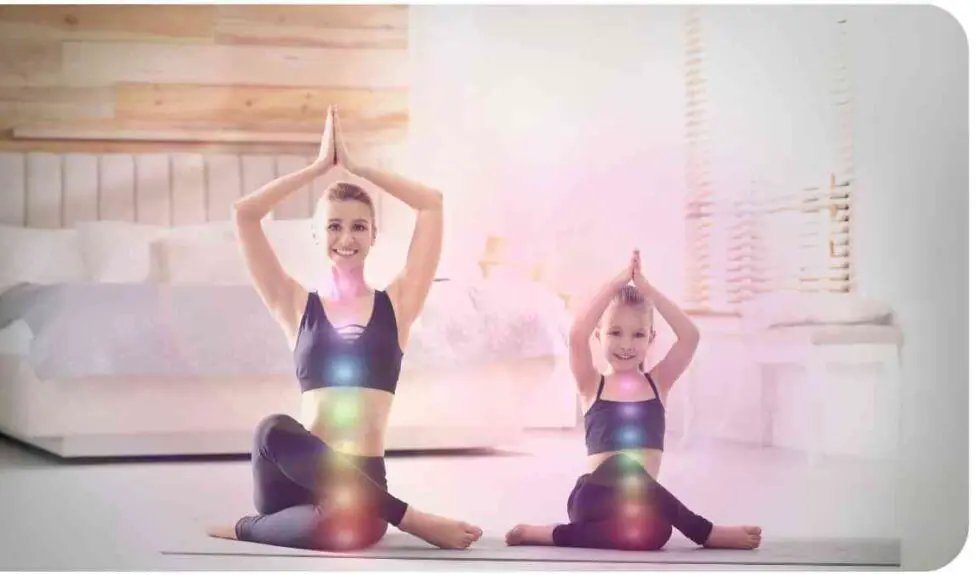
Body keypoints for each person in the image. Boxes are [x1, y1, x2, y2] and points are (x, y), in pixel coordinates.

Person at [206, 105, 482, 551]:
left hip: (363, 488)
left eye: (359, 227)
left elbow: (431, 204)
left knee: (344, 527)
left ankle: (253, 528)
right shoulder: (295, 304)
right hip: (293, 483)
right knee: (272, 428)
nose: (347, 238)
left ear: (375, 235)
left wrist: (356, 167)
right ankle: (410, 518)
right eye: (333, 226)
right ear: (316, 235)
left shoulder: (399, 303)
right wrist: (316, 169)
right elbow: (245, 214)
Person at [505, 250, 762, 551]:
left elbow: (689, 336)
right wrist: (615, 285)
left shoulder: (658, 382)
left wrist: (648, 290)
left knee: (657, 532)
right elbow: (576, 335)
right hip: (593, 498)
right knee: (623, 464)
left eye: (638, 334)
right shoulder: (592, 384)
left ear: (651, 340)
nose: (626, 344)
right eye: (615, 332)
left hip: (635, 509)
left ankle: (547, 534)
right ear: (599, 335)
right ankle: (703, 532)